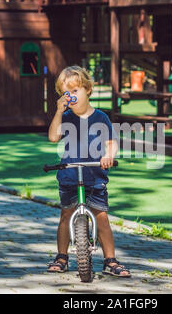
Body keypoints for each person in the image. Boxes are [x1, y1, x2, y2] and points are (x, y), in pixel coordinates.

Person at [46, 65, 131, 278]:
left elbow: (111, 142)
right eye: (67, 93)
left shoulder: (100, 117)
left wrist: (108, 155)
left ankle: (110, 260)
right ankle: (62, 257)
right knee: (66, 215)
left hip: (95, 175)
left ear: (88, 90)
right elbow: (53, 137)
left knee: (101, 217)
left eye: (75, 91)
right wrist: (58, 111)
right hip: (70, 174)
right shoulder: (65, 116)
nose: (71, 96)